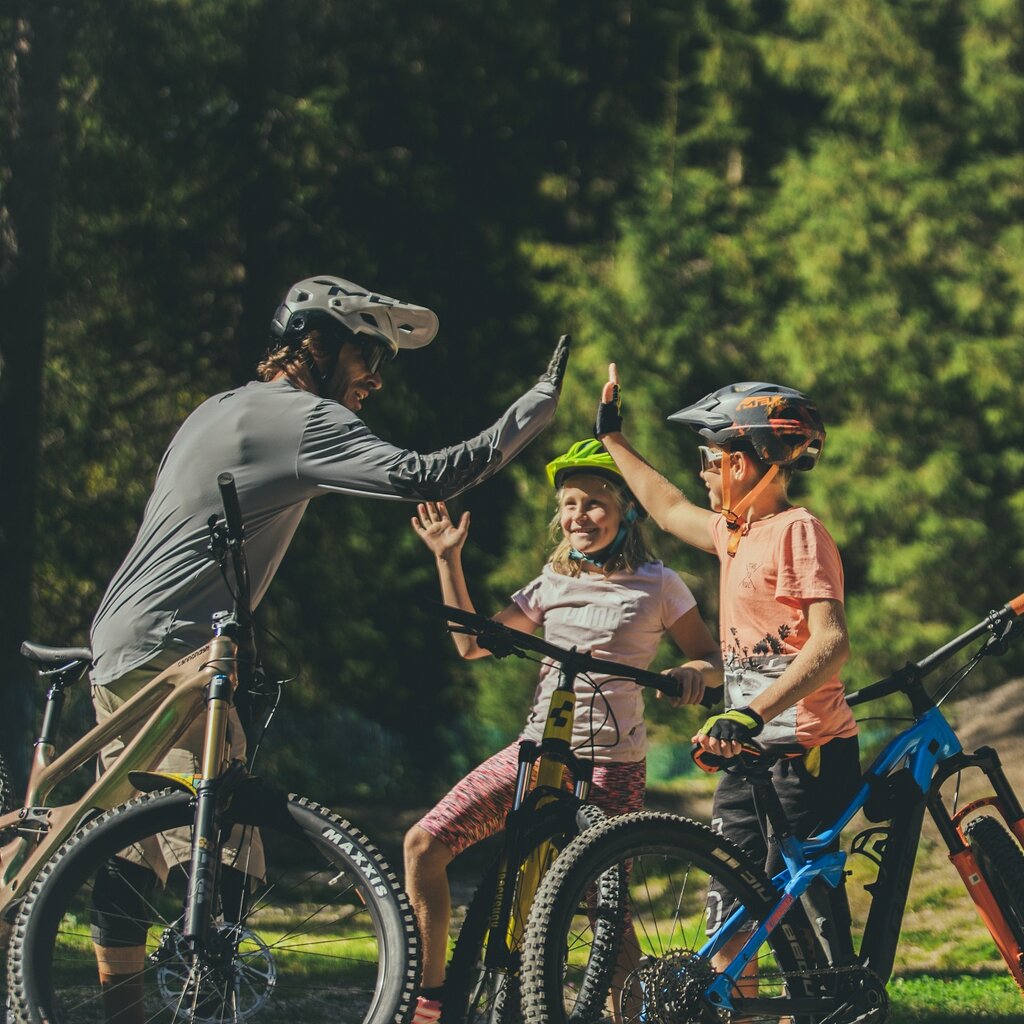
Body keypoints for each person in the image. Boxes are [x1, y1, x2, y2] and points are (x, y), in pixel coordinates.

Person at [87, 275, 571, 1023]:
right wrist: (533, 411)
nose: (375, 377)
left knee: (127, 852)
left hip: (120, 640)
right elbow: (425, 476)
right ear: (319, 343)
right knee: (219, 862)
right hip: (180, 651)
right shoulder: (301, 418)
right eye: (366, 355)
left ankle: (117, 1014)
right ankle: (198, 1014)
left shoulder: (217, 407)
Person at [403, 437, 723, 1024]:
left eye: (595, 503)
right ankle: (433, 994)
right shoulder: (549, 583)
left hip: (612, 763)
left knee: (609, 915)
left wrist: (688, 673)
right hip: (537, 755)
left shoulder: (660, 583)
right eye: (569, 504)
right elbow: (473, 644)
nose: (579, 516)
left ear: (628, 509)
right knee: (423, 846)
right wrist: (447, 558)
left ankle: (630, 1015)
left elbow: (711, 659)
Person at [594, 366, 861, 979]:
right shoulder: (734, 534)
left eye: (709, 461)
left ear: (742, 463)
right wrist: (612, 437)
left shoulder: (798, 531)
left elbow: (832, 643)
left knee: (801, 922)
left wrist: (751, 711)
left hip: (803, 753)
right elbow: (665, 508)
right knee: (730, 923)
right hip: (745, 751)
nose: (703, 474)